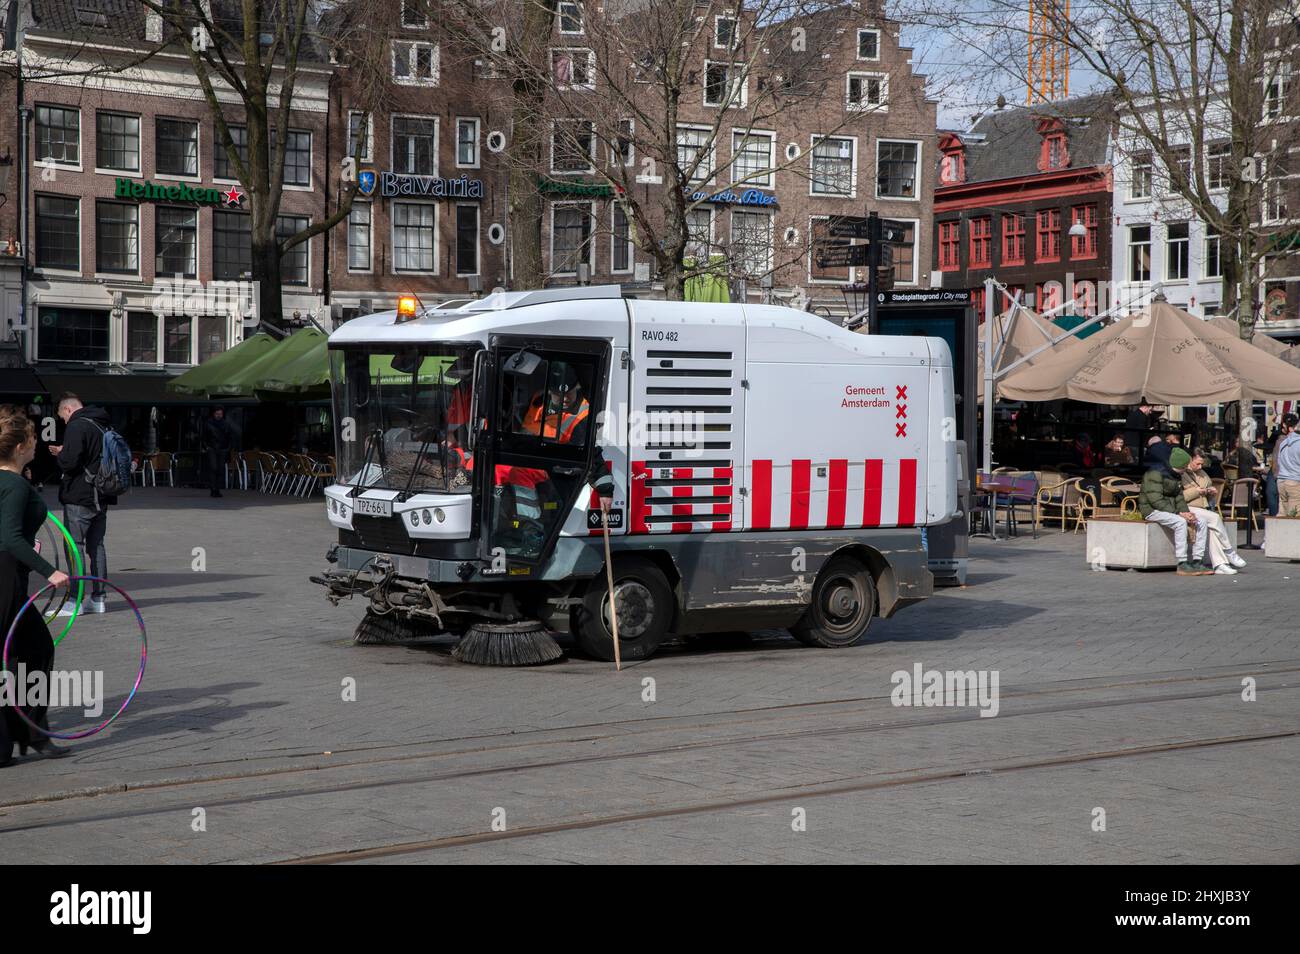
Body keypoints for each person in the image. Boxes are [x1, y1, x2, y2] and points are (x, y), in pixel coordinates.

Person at [0, 407, 71, 764]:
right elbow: (10, 536)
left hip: (10, 575)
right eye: (33, 440)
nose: (37, 445)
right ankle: (23, 734)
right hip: (6, 576)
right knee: (32, 650)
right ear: (19, 448)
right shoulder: (13, 484)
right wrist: (50, 571)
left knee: (26, 651)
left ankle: (27, 732)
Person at [47, 394, 113, 614]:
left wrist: (60, 454)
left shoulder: (77, 426)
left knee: (74, 547)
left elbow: (70, 462)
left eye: (62, 418)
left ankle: (75, 600)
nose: (64, 422)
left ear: (67, 410)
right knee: (97, 547)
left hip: (80, 495)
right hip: (102, 495)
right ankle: (99, 598)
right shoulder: (103, 424)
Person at [1139, 442, 1211, 576]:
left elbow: (1179, 497)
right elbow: (1155, 500)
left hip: (1170, 510)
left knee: (1200, 521)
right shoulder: (1154, 474)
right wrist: (1179, 514)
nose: (1186, 470)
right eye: (1184, 467)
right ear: (1177, 466)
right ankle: (1182, 562)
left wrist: (1187, 513)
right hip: (1151, 510)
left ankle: (1197, 560)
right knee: (1180, 522)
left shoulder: (1175, 474)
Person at [1178, 446, 1246, 575]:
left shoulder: (1202, 474)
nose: (1200, 467)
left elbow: (1208, 488)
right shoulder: (1182, 474)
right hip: (1186, 507)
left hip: (1201, 508)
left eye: (1202, 464)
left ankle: (1220, 564)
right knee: (1215, 518)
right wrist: (1196, 491)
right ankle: (1229, 551)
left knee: (1212, 530)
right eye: (1197, 463)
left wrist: (1210, 492)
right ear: (1189, 460)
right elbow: (1179, 496)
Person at [202, 406, 233, 498]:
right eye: (217, 414)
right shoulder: (208, 423)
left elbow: (230, 437)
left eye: (220, 414)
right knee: (213, 468)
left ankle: (217, 490)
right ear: (214, 414)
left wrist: (228, 448)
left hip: (223, 449)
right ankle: (213, 489)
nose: (219, 415)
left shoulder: (226, 424)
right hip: (212, 448)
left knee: (220, 469)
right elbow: (204, 436)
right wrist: (206, 447)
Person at [1275, 412, 1300, 516]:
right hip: (1294, 480)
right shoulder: (1298, 443)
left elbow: (1279, 462)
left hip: (1281, 482)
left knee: (1282, 514)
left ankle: (1278, 532)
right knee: (1294, 516)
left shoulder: (1283, 443)